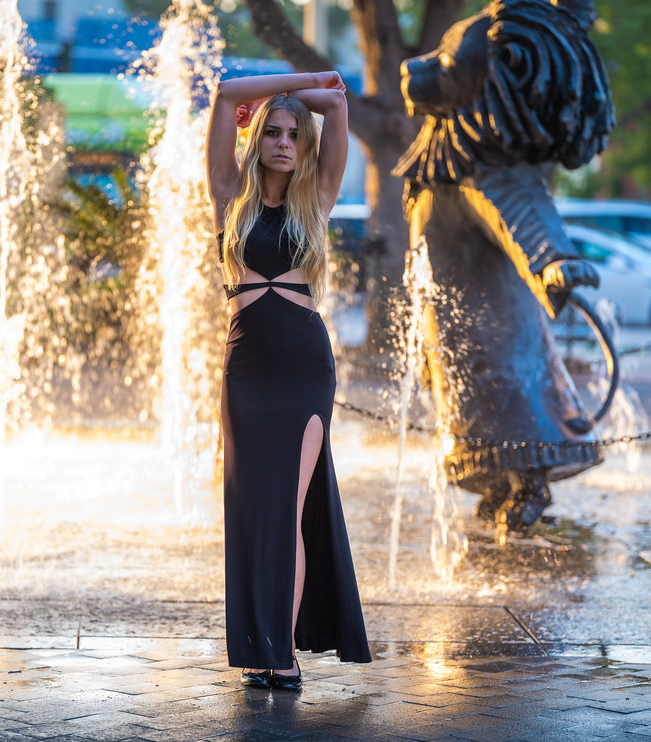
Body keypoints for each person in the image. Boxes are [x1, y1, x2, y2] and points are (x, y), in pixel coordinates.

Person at [205, 72, 372, 691]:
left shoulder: (316, 198)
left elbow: (337, 102)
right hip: (247, 368)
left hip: (304, 368)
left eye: (294, 134)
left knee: (289, 509)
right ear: (256, 139)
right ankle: (262, 647)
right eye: (272, 132)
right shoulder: (229, 195)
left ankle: (281, 654)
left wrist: (306, 97)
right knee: (254, 512)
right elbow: (225, 93)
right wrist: (285, 92)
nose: (282, 143)